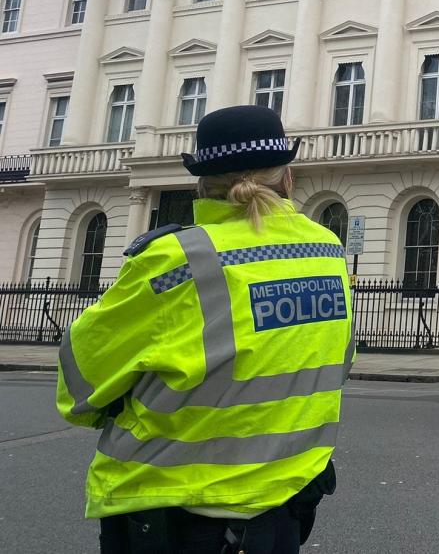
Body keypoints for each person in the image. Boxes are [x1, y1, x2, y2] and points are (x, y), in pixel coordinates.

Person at [56, 105, 348, 554]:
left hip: (176, 512)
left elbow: (80, 386)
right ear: (287, 176)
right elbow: (332, 365)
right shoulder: (327, 251)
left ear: (202, 183)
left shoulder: (175, 261)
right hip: (285, 507)